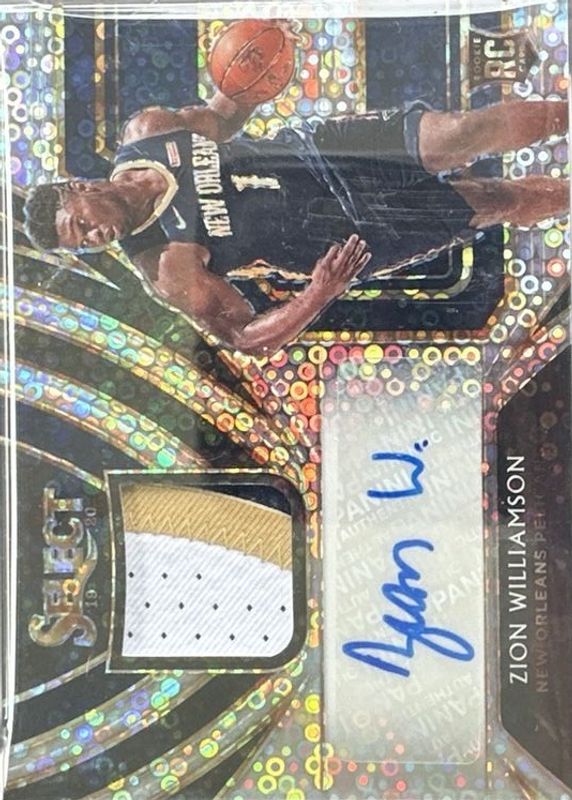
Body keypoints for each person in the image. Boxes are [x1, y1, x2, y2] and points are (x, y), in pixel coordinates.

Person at [24, 86, 568, 356]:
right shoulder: (166, 266)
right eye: (84, 245)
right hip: (340, 235)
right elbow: (243, 337)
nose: (96, 239)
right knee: (491, 198)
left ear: (81, 188)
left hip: (323, 153)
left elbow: (225, 115)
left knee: (461, 134)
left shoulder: (150, 131)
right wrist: (319, 293)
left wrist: (254, 71)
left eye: (82, 226)